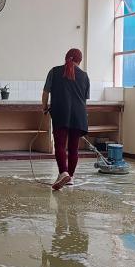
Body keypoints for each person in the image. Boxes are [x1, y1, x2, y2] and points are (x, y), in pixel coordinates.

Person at [42, 48, 89, 190]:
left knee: (60, 145)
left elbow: (45, 93)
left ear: (66, 57)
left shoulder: (54, 71)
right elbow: (84, 99)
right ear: (79, 61)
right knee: (74, 148)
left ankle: (63, 173)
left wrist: (44, 107)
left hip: (60, 113)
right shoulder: (85, 76)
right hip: (79, 115)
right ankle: (70, 178)